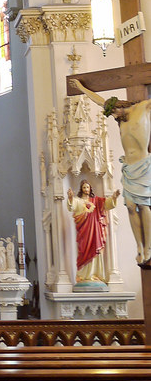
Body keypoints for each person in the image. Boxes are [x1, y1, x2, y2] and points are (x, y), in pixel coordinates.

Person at [70, 77, 151, 264]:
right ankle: (139, 246)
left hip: (143, 166)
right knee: (130, 206)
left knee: (144, 205)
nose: (114, 116)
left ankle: (148, 248)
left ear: (120, 105)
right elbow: (99, 101)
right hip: (128, 168)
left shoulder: (143, 108)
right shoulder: (120, 119)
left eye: (114, 112)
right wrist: (81, 87)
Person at [66, 179, 119, 283]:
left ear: (90, 188)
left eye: (87, 187)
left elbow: (107, 204)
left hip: (96, 231)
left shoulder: (96, 200)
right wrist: (70, 198)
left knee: (96, 249)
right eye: (84, 187)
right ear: (81, 189)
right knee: (84, 251)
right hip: (84, 232)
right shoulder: (78, 201)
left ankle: (96, 274)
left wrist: (114, 197)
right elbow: (71, 207)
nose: (86, 189)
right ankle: (83, 276)